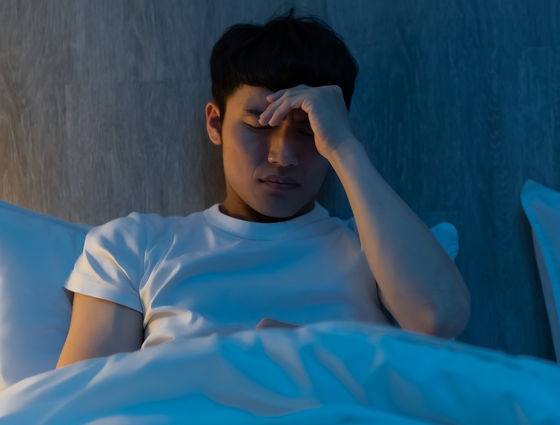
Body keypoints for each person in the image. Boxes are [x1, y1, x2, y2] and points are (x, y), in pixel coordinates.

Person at [57, 8, 470, 369]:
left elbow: (436, 319)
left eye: (308, 131)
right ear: (215, 123)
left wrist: (345, 148)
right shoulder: (135, 246)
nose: (283, 156)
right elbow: (79, 400)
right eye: (259, 126)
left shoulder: (379, 256)